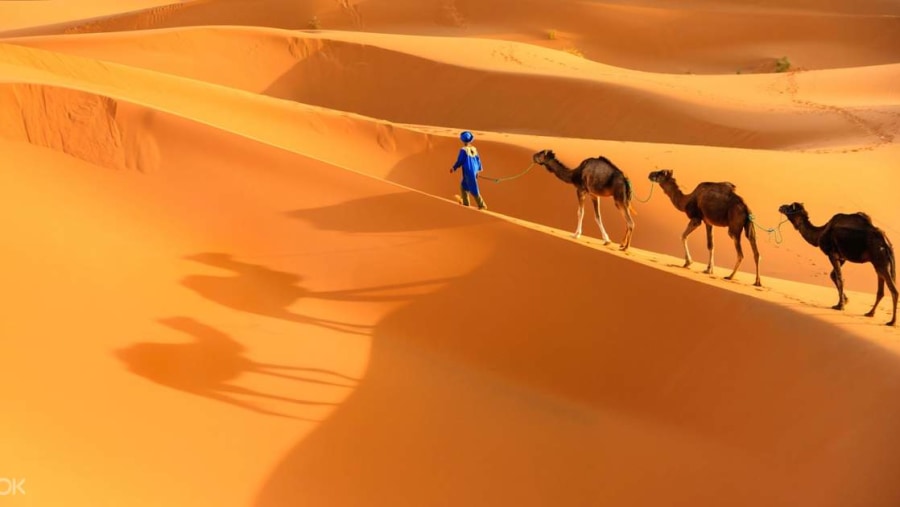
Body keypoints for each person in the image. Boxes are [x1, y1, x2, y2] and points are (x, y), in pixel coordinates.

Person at [450, 130, 487, 210]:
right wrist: (478, 171)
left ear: (462, 140)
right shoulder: (474, 149)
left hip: (468, 171)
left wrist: (454, 167)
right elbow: (478, 160)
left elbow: (460, 161)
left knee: (473, 188)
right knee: (463, 186)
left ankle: (482, 205)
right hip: (473, 170)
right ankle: (466, 203)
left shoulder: (463, 150)